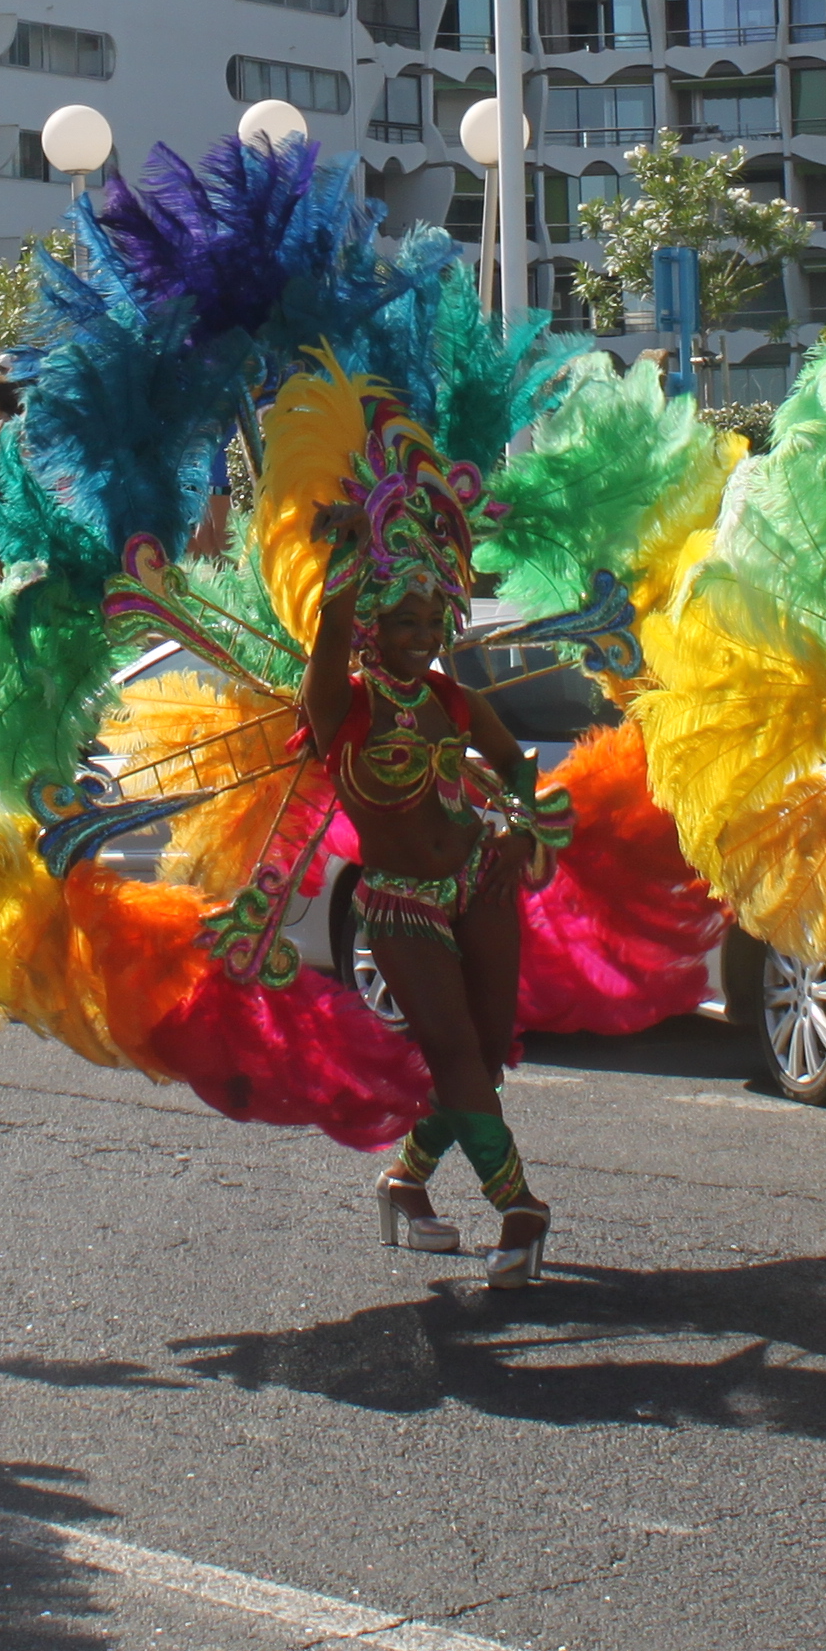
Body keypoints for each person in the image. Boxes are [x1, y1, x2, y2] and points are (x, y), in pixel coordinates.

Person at [284, 371, 568, 1286]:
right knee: (448, 1047)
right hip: (401, 905)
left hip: (480, 882)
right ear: (372, 627)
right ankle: (519, 1208)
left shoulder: (452, 698)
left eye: (429, 619)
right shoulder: (345, 710)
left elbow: (522, 769)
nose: (418, 634)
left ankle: (405, 1184)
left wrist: (526, 825)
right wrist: (346, 549)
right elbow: (326, 640)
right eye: (400, 621)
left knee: (484, 1052)